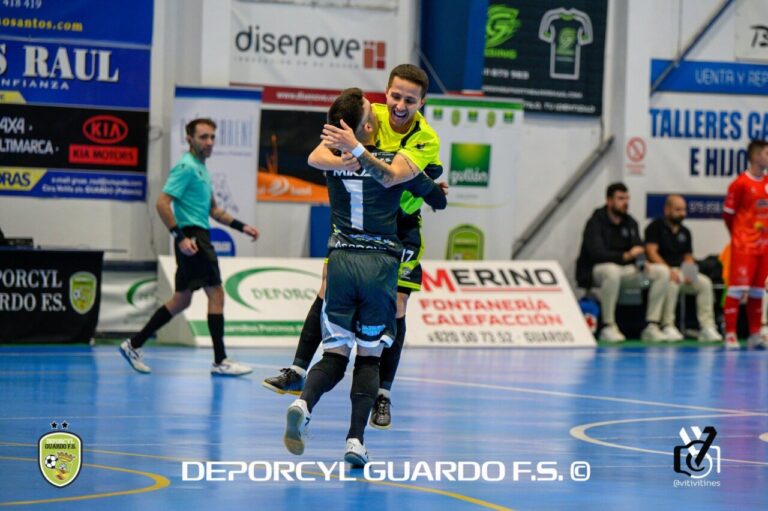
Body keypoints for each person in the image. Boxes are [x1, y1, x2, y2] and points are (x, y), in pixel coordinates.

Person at [264, 64, 441, 430]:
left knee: (399, 306)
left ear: (422, 102)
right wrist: (346, 160)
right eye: (395, 96)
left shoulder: (426, 139)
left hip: (401, 226)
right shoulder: (367, 114)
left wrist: (357, 153)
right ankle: (297, 369)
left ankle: (383, 396)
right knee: (326, 288)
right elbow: (317, 157)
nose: (400, 105)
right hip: (358, 226)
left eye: (410, 100)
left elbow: (392, 177)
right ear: (386, 92)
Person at [119, 118, 258, 375]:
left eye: (212, 137)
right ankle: (220, 361)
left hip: (192, 236)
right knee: (216, 294)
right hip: (193, 238)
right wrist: (180, 236)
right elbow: (162, 203)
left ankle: (133, 344)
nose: (209, 142)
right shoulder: (185, 167)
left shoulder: (201, 169)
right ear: (189, 139)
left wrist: (242, 227)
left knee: (182, 299)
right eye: (203, 137)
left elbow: (215, 211)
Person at [576, 182, 670, 342]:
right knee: (611, 271)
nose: (625, 202)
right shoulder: (595, 222)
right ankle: (608, 326)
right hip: (595, 271)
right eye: (620, 198)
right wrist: (625, 256)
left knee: (661, 272)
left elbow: (638, 247)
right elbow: (596, 253)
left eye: (627, 198)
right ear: (609, 201)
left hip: (624, 272)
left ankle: (652, 325)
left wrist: (642, 261)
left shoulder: (630, 222)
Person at [645, 195, 722, 342]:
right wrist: (669, 270)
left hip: (681, 270)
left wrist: (689, 272)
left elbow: (688, 256)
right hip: (662, 270)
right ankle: (668, 325)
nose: (683, 213)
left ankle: (707, 327)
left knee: (704, 282)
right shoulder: (655, 227)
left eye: (684, 209)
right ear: (667, 210)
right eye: (678, 209)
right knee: (673, 279)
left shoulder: (685, 232)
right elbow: (651, 252)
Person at [721, 139, 768, 350]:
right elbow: (728, 215)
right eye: (767, 153)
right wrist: (740, 237)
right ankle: (730, 333)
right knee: (736, 289)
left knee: (758, 291)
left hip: (764, 246)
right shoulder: (740, 183)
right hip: (744, 246)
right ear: (755, 156)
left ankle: (755, 334)